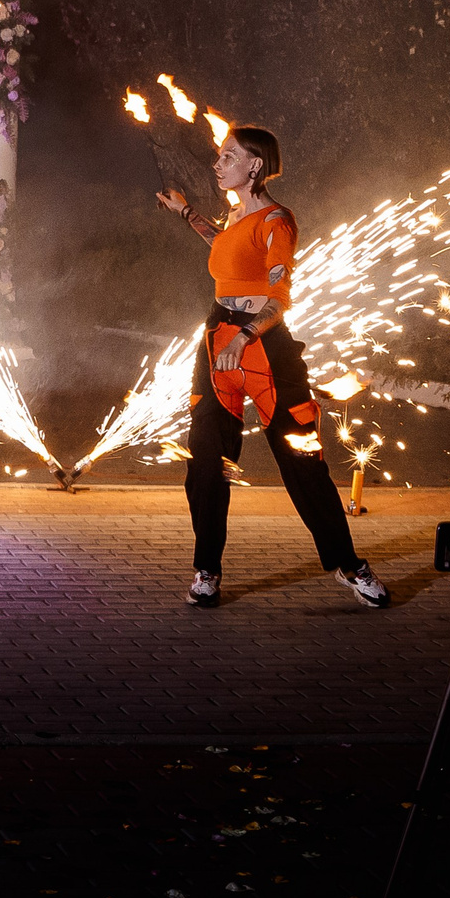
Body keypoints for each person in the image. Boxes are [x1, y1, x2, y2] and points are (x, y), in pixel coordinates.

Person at [157, 126, 391, 610]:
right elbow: (225, 251)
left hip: (263, 347)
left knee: (303, 464)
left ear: (255, 166)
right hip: (218, 339)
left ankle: (351, 566)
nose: (218, 164)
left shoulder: (278, 221)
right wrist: (185, 213)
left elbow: (279, 298)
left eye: (228, 157)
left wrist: (244, 339)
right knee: (205, 462)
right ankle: (207, 571)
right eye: (219, 157)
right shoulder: (238, 217)